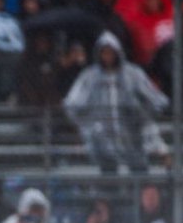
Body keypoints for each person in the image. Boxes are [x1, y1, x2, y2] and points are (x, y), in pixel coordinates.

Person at [63, 32, 168, 173]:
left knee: (139, 175)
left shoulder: (132, 74)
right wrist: (90, 124)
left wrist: (144, 112)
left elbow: (156, 100)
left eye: (111, 52)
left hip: (132, 135)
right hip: (103, 139)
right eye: (104, 53)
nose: (108, 57)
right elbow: (72, 103)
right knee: (108, 176)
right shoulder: (90, 76)